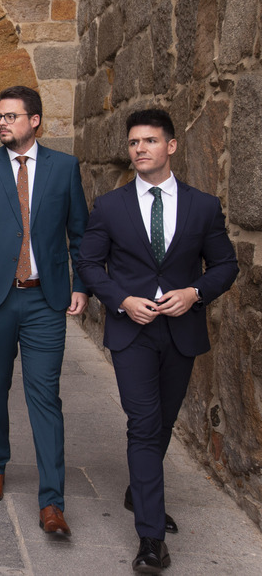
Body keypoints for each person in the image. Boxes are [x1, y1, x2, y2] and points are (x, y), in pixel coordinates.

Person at [76, 109, 237, 573]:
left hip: (181, 333)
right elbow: (89, 264)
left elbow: (225, 265)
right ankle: (150, 539)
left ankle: (138, 488)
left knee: (163, 420)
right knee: (144, 424)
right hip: (133, 334)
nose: (139, 149)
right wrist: (121, 300)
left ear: (171, 146)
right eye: (133, 142)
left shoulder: (203, 206)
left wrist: (195, 292)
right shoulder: (110, 206)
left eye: (149, 141)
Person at [0, 85, 89, 536]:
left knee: (44, 396)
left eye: (11, 116)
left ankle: (52, 501)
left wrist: (81, 286)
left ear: (35, 121)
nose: (2, 123)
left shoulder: (65, 168)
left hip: (45, 301)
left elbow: (81, 235)